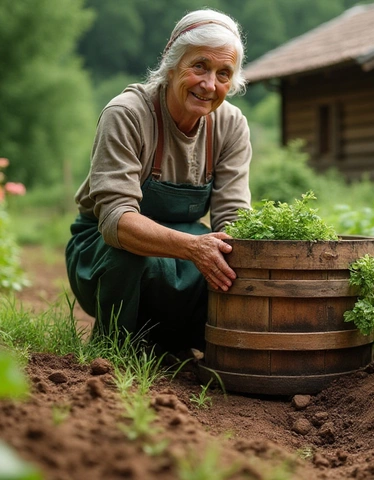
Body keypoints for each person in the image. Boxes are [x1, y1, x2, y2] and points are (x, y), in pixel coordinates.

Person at [65, 9, 252, 352]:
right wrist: (194, 248)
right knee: (129, 256)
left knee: (232, 261)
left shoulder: (231, 125)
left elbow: (233, 217)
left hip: (188, 246)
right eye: (199, 66)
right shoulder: (128, 114)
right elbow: (116, 223)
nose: (210, 84)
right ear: (171, 64)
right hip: (104, 248)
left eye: (223, 73)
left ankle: (194, 348)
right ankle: (112, 350)